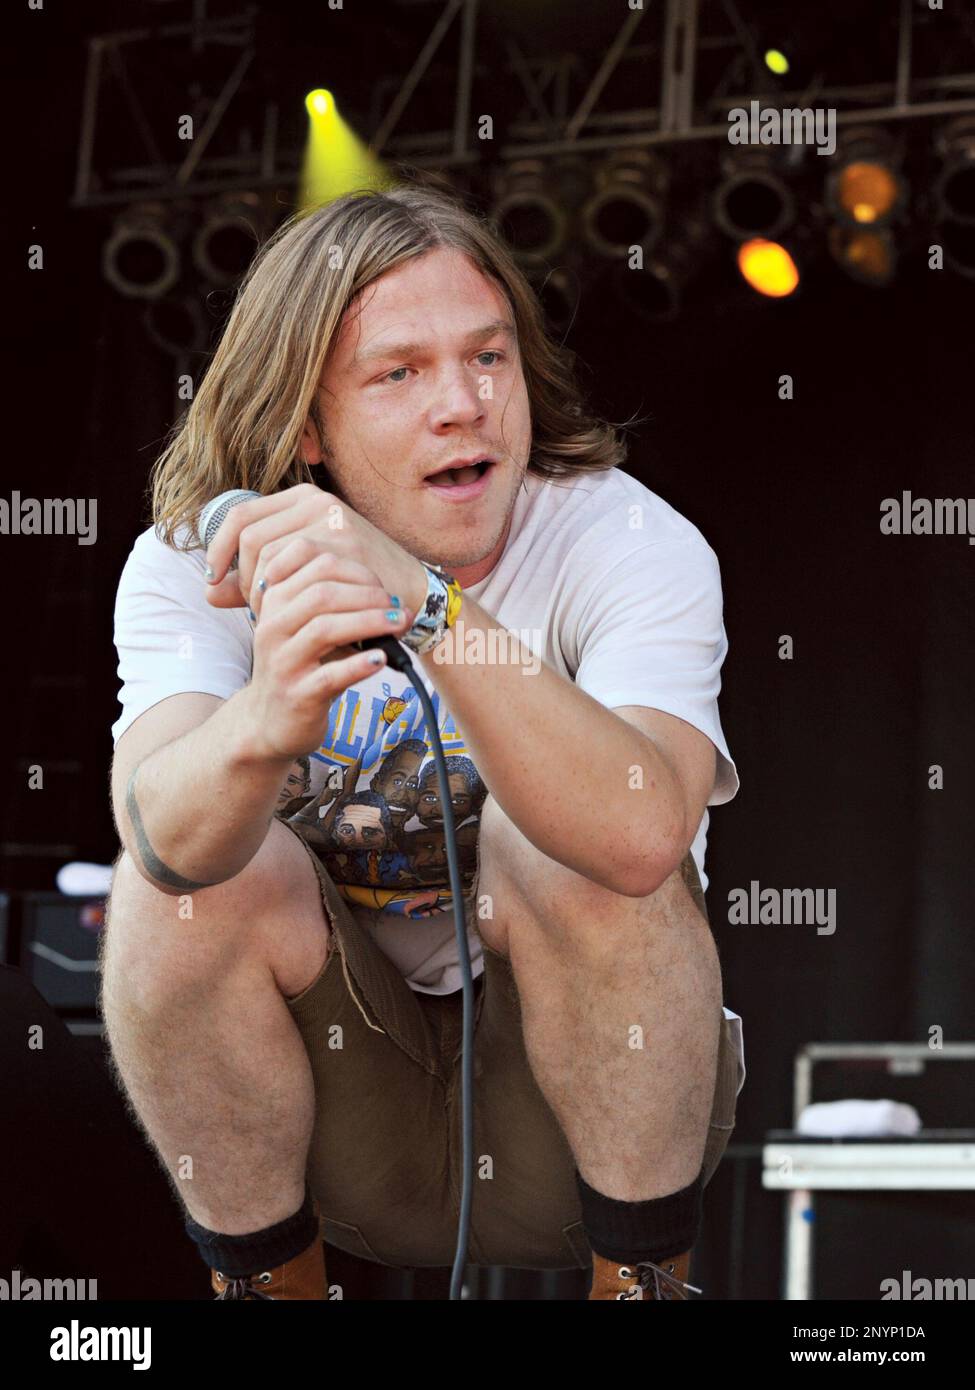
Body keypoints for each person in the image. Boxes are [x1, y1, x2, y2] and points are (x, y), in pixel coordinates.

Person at [101, 180, 745, 1302]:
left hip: (592, 1124)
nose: (465, 403)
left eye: (489, 358)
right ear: (305, 424)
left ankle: (640, 1290)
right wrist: (263, 724)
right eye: (400, 373)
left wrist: (429, 604)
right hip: (340, 1121)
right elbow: (159, 842)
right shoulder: (195, 564)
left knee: (568, 839)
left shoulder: (630, 537)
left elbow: (643, 835)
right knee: (199, 875)